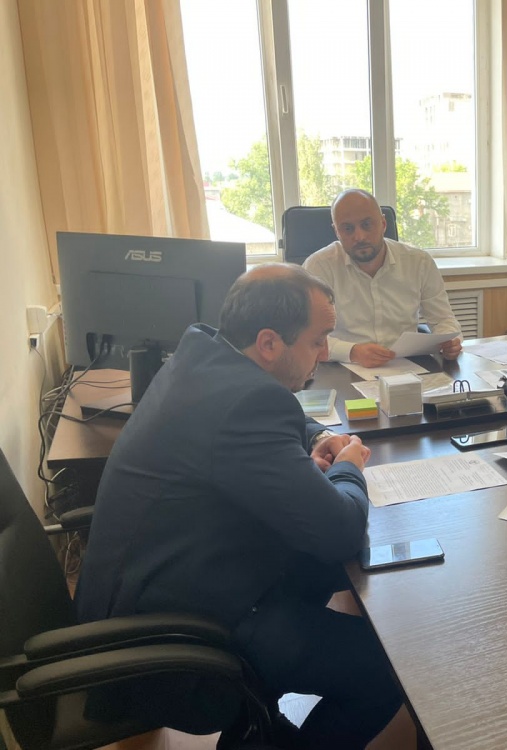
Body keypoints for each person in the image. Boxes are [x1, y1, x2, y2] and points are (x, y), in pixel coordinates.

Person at [75, 264, 410, 749]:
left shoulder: (205, 358)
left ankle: (255, 729)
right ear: (269, 343)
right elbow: (341, 531)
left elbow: (278, 421)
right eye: (318, 340)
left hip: (159, 583)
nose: (324, 353)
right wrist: (348, 467)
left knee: (322, 568)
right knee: (385, 668)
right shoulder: (247, 401)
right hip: (178, 632)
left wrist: (319, 437)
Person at [303, 188, 462, 368]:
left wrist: (451, 342)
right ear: (336, 231)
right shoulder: (319, 267)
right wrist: (352, 351)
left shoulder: (418, 262)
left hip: (406, 366)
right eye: (347, 229)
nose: (359, 236)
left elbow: (443, 319)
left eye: (367, 225)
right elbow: (306, 337)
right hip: (341, 367)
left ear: (383, 224)